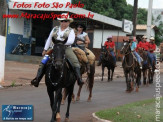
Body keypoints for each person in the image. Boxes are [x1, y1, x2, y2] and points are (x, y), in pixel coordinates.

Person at [31, 13, 84, 87]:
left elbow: (71, 41)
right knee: (43, 61)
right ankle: (37, 79)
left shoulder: (71, 30)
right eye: (62, 21)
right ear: (60, 22)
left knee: (75, 61)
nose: (63, 23)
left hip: (66, 48)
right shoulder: (55, 29)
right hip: (54, 48)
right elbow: (49, 39)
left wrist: (59, 42)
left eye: (65, 21)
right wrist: (45, 49)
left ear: (69, 22)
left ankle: (79, 79)